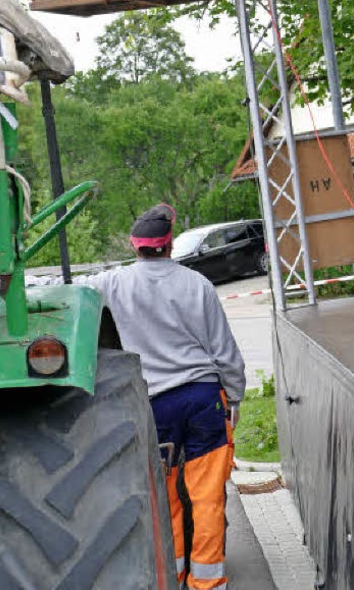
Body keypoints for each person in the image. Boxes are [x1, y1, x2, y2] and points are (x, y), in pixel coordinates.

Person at [32, 203, 245, 589]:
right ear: (169, 246)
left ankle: (172, 573)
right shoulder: (197, 285)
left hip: (153, 405)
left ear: (135, 246)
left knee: (164, 499)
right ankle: (209, 583)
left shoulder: (114, 283)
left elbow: (62, 293)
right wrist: (235, 398)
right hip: (202, 399)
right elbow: (225, 353)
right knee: (208, 495)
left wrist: (9, 286)